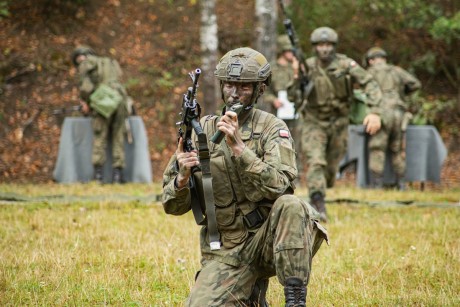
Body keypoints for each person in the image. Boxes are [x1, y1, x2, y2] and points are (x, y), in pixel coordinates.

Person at [162, 47, 328, 306]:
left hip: (269, 242)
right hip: (226, 252)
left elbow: (281, 186)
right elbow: (171, 206)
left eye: (244, 87)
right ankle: (251, 294)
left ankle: (295, 300)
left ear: (260, 90)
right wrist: (182, 178)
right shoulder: (200, 131)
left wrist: (240, 148)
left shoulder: (272, 128)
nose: (234, 93)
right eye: (228, 85)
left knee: (292, 205)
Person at [299, 27, 383, 222]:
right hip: (314, 121)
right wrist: (298, 81)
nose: (325, 49)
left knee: (330, 168)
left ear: (334, 46)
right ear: (314, 47)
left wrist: (375, 112)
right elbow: (291, 93)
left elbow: (370, 83)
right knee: (316, 161)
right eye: (321, 45)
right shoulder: (307, 66)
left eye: (328, 45)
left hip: (339, 122)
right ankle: (317, 203)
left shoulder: (346, 65)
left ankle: (321, 191)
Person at [365, 47, 422, 189]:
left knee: (377, 148)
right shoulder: (396, 70)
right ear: (384, 58)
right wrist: (402, 93)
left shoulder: (370, 72)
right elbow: (416, 84)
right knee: (397, 149)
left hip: (381, 113)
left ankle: (377, 185)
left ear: (371, 60)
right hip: (399, 112)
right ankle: (401, 184)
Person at [71, 45, 130, 184]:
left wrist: (86, 101)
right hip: (119, 98)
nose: (80, 62)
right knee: (118, 136)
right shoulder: (109, 61)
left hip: (103, 100)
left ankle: (98, 176)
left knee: (100, 136)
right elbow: (119, 78)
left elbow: (86, 87)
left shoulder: (87, 64)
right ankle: (117, 176)